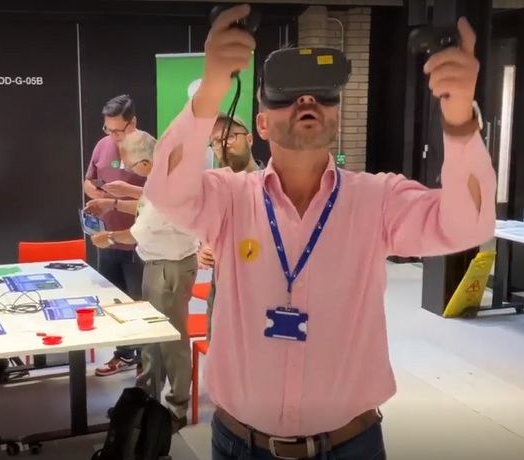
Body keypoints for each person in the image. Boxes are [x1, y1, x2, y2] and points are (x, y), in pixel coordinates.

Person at [144, 5, 494, 460]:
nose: (307, 101)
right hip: (239, 444)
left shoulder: (378, 200)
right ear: (262, 126)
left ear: (335, 117)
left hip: (350, 444)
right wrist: (213, 87)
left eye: (323, 96)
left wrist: (460, 119)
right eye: (287, 96)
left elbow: (469, 222)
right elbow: (167, 192)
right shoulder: (230, 198)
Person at [91, 130, 197, 431]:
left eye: (130, 165)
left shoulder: (169, 186)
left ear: (147, 163)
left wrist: (108, 237)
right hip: (157, 264)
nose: (127, 171)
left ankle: (176, 408)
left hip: (170, 267)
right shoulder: (160, 181)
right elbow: (144, 207)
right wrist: (114, 202)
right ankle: (147, 399)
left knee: (172, 340)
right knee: (152, 338)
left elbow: (138, 231)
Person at [84, 94, 147, 376]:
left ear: (133, 122)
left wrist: (117, 201)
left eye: (119, 130)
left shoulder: (148, 150)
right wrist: (94, 192)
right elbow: (88, 179)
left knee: (140, 305)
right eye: (108, 129)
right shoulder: (103, 145)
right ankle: (124, 355)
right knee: (114, 303)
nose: (113, 136)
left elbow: (157, 202)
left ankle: (147, 362)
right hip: (106, 238)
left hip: (138, 244)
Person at [198, 113, 265, 341]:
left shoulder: (274, 187)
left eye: (230, 137)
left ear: (250, 139)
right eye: (216, 141)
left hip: (262, 297)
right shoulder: (213, 190)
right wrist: (204, 249)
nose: (223, 145)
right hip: (222, 295)